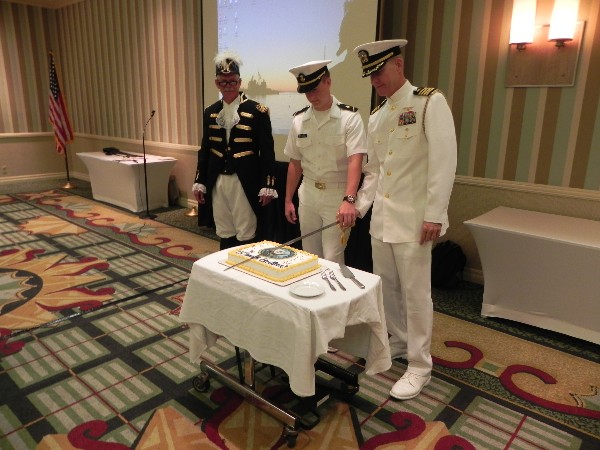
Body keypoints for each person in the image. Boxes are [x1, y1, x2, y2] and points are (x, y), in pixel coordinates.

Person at [352, 40, 457, 400]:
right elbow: (375, 171)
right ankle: (397, 342)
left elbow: (444, 162)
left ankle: (420, 364)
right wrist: (359, 207)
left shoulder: (429, 103)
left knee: (416, 294)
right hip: (382, 221)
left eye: (378, 72)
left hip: (415, 222)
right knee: (389, 288)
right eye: (369, 75)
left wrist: (434, 214)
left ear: (398, 64)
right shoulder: (378, 115)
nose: (374, 81)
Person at [283, 60, 367, 264]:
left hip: (336, 196)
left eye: (314, 89)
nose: (311, 96)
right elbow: (295, 163)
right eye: (306, 91)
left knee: (332, 258)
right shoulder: (299, 120)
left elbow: (355, 161)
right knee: (309, 257)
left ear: (328, 82)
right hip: (308, 194)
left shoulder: (350, 118)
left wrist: (349, 200)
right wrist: (287, 199)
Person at [192, 51, 277, 250]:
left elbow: (267, 152)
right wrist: (199, 180)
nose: (227, 86)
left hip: (244, 180)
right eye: (223, 82)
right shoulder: (210, 111)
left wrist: (268, 184)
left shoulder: (258, 111)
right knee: (224, 229)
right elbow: (205, 149)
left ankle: (245, 273)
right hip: (218, 180)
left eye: (232, 81)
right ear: (217, 84)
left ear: (239, 82)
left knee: (246, 229)